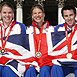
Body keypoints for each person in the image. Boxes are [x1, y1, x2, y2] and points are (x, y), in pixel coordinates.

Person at [25, 4, 54, 77]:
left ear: (43, 15)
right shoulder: (27, 30)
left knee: (44, 70)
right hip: (33, 61)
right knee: (29, 71)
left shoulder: (51, 29)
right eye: (35, 13)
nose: (37, 15)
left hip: (46, 61)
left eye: (39, 13)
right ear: (32, 16)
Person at [0, 2, 26, 77]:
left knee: (8, 69)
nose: (7, 15)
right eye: (4, 13)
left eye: (9, 13)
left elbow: (22, 45)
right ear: (1, 13)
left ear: (13, 14)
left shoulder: (20, 26)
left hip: (14, 59)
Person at [51, 5, 77, 77]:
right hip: (64, 62)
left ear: (75, 15)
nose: (69, 18)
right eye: (66, 16)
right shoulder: (58, 29)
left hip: (76, 62)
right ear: (63, 17)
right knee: (55, 67)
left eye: (71, 15)